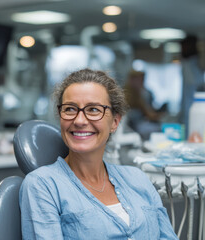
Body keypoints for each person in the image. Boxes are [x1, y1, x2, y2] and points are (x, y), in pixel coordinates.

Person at [19, 68, 178, 239]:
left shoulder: (137, 178)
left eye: (94, 110)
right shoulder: (43, 185)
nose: (79, 120)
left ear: (115, 122)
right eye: (70, 109)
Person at [123, 69, 163, 140]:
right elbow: (149, 114)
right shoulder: (133, 95)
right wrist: (160, 116)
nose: (142, 82)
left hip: (130, 126)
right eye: (140, 79)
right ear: (133, 80)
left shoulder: (129, 92)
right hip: (133, 127)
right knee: (159, 129)